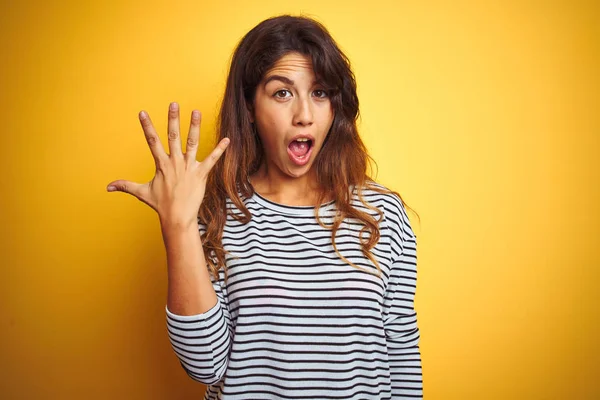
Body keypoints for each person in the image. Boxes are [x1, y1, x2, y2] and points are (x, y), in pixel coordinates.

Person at [107, 14, 422, 400]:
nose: (305, 114)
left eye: (320, 93)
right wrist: (178, 224)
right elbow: (204, 365)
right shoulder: (218, 215)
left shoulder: (383, 215)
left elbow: (402, 352)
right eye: (282, 93)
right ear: (250, 108)